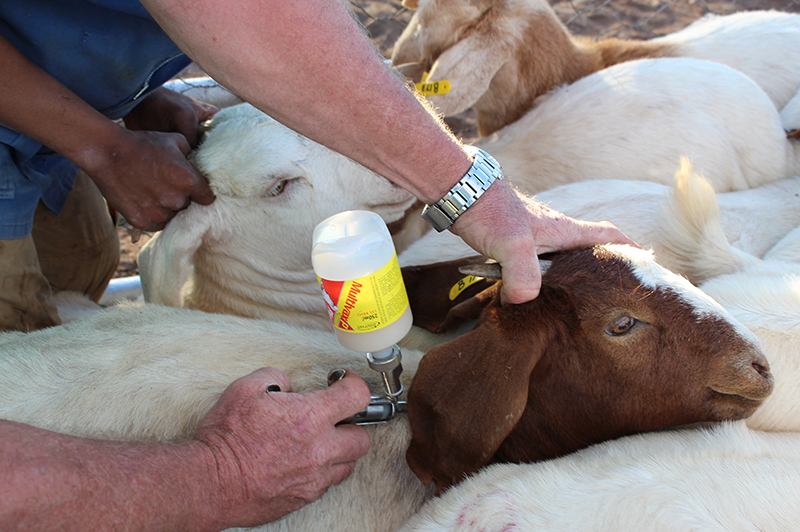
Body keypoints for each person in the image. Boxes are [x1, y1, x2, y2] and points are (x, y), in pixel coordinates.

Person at [0, 0, 635, 529]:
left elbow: (262, 25)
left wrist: (132, 100)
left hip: (42, 135)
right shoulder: (184, 257)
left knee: (82, 258)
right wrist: (216, 473)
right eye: (281, 186)